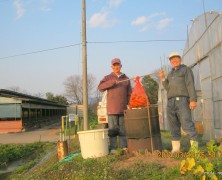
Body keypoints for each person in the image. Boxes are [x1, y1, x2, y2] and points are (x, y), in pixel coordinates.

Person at [159, 52, 199, 153]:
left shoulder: (186, 69)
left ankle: (194, 148)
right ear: (170, 62)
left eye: (176, 58)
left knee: (186, 123)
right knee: (173, 124)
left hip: (183, 100)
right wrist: (163, 78)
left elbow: (190, 84)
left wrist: (193, 99)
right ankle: (176, 149)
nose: (174, 60)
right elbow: (168, 88)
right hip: (171, 101)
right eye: (172, 59)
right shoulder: (171, 73)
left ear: (180, 59)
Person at [98, 58, 132, 154]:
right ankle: (113, 148)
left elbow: (129, 93)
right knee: (112, 129)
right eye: (114, 65)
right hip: (112, 109)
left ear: (121, 66)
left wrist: (129, 104)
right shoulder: (108, 77)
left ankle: (123, 147)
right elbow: (100, 87)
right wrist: (111, 82)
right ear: (111, 67)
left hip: (123, 108)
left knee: (123, 129)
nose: (116, 67)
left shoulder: (126, 78)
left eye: (118, 65)